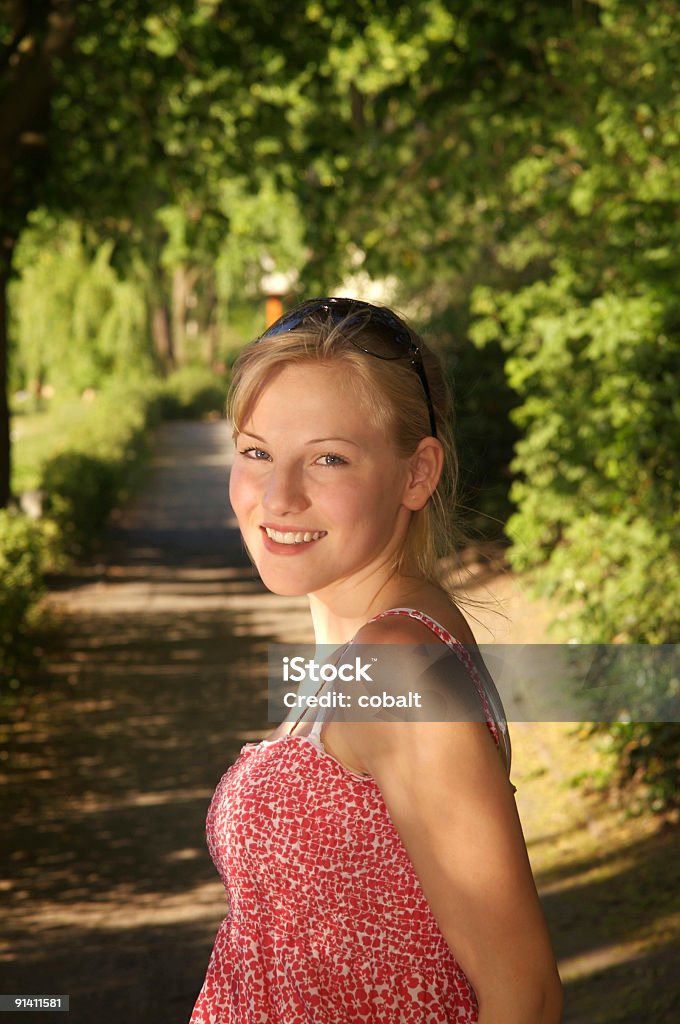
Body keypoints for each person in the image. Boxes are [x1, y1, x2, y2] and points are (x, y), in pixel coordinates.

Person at [190, 297, 563, 1024]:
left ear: (418, 473)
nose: (278, 496)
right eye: (257, 452)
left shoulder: (399, 664)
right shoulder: (370, 651)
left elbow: (526, 994)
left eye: (328, 458)